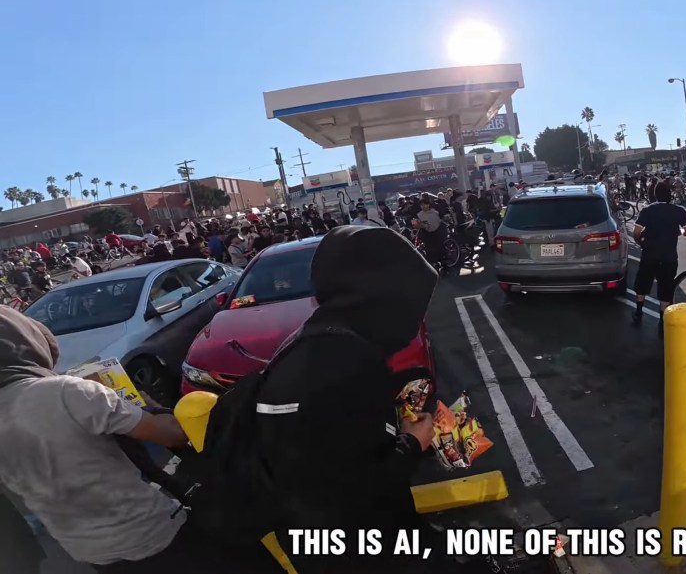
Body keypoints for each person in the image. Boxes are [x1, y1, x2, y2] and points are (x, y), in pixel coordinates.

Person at [0, 307, 280, 573]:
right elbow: (174, 434)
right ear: (28, 339)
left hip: (87, 549)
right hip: (153, 532)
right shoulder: (65, 392)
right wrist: (142, 404)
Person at [254, 226, 462, 573]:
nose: (416, 319)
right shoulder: (345, 363)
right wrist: (413, 442)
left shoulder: (312, 340)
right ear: (384, 299)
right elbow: (351, 491)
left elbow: (332, 445)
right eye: (412, 306)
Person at [631, 182, 686, 336]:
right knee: (665, 288)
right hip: (669, 256)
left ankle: (638, 312)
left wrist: (640, 242)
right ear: (670, 194)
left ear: (654, 194)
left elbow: (636, 231)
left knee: (643, 283)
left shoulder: (647, 210)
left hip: (649, 255)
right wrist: (679, 232)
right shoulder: (678, 210)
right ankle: (662, 322)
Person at [413, 197, 445, 267]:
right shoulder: (419, 214)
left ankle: (443, 263)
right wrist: (420, 225)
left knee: (439, 248)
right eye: (421, 205)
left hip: (437, 232)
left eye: (424, 204)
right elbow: (415, 224)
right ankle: (433, 264)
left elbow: (438, 222)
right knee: (429, 249)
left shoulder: (435, 212)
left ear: (428, 205)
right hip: (426, 234)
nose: (423, 206)